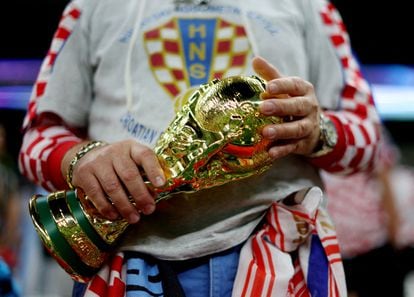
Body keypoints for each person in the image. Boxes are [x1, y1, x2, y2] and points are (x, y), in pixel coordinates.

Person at [18, 0, 381, 296]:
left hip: (280, 256)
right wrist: (85, 159)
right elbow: (37, 136)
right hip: (127, 261)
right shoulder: (90, 7)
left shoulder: (310, 6)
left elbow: (368, 137)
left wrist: (317, 131)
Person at [323, 132, 414, 297]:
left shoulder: (367, 130)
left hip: (369, 245)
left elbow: (385, 183)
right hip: (332, 247)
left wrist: (394, 240)